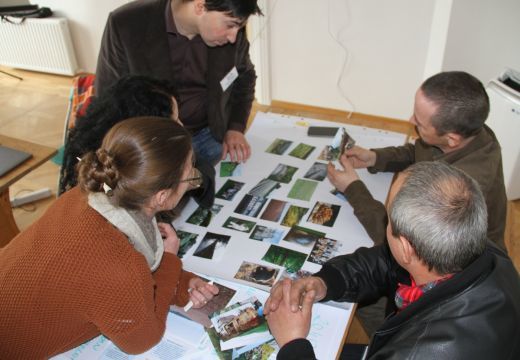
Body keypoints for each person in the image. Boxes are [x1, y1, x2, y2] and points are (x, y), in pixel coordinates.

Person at [0, 117, 219, 358]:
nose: (193, 179)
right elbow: (141, 341)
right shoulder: (120, 265)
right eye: (190, 175)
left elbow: (106, 278)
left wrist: (180, 280)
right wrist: (169, 262)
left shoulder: (84, 194)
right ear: (162, 197)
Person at [264, 162, 520, 359]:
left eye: (389, 221)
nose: (386, 226)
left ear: (407, 247)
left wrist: (292, 343)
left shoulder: (417, 353)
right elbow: (387, 262)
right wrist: (325, 282)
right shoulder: (477, 245)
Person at [328, 71, 507, 250]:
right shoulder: (468, 130)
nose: (410, 120)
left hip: (458, 265)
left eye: (419, 123)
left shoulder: (457, 194)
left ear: (452, 139)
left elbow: (401, 243)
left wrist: (353, 189)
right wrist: (375, 158)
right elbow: (422, 152)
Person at [95, 0, 263, 165]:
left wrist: (235, 127)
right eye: (230, 25)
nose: (234, 37)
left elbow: (245, 78)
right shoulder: (126, 24)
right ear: (200, 6)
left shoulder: (230, 35)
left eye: (239, 27)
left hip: (210, 137)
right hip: (151, 146)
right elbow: (107, 99)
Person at [60, 75, 215, 209]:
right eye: (174, 120)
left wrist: (190, 177)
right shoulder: (104, 180)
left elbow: (202, 168)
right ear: (145, 132)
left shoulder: (134, 151)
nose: (182, 126)